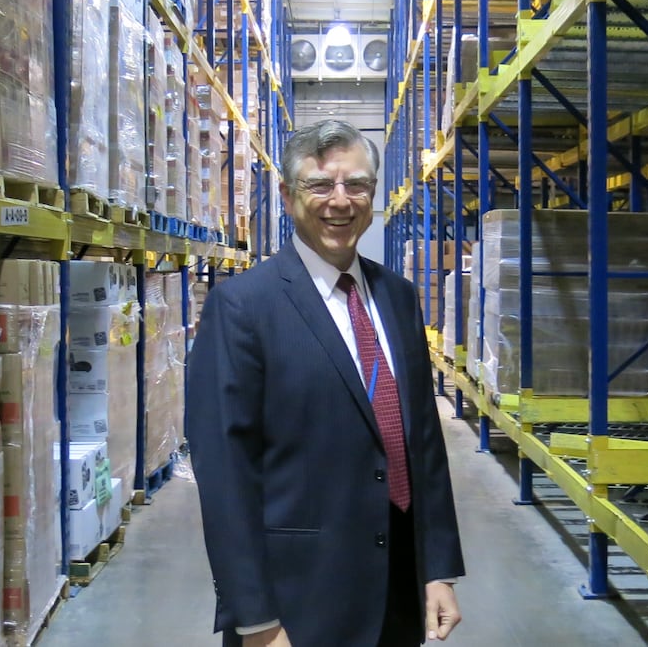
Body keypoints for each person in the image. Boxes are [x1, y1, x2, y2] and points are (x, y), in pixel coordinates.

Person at [187, 119, 465, 647]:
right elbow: (225, 473)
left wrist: (437, 569)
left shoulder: (398, 297)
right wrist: (256, 619)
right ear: (289, 196)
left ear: (373, 193)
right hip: (297, 605)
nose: (340, 201)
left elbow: (423, 446)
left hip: (398, 593)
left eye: (356, 184)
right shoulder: (244, 306)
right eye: (321, 185)